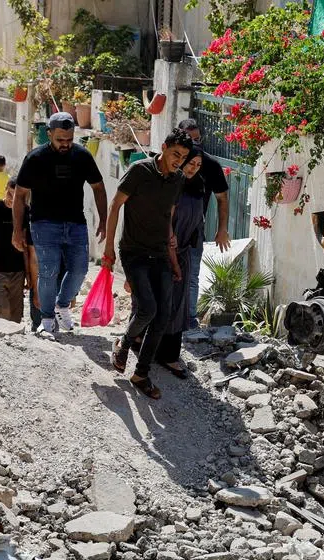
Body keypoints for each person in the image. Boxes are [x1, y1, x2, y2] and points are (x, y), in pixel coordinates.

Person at [105, 128, 192, 400]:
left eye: (183, 157)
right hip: (134, 252)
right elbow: (115, 205)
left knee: (163, 316)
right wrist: (108, 248)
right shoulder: (139, 171)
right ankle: (124, 344)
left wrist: (173, 260)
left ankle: (141, 374)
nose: (179, 161)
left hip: (160, 254)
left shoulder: (178, 179)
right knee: (148, 309)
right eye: (175, 154)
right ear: (163, 148)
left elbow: (169, 218)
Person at [14, 112, 107, 338]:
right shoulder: (35, 158)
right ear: (49, 134)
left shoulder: (82, 156)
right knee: (48, 271)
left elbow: (98, 187)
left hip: (76, 223)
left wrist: (103, 219)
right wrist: (17, 230)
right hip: (43, 224)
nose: (65, 144)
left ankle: (62, 304)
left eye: (69, 139)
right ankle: (46, 320)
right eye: (60, 140)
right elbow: (20, 194)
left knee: (80, 269)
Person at [130, 149, 205, 378]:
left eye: (198, 165)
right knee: (155, 303)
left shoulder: (198, 186)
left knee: (178, 306)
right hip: (160, 252)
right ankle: (138, 343)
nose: (193, 168)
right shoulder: (168, 185)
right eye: (190, 163)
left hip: (183, 253)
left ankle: (169, 355)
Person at [177, 118, 231, 328]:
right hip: (167, 228)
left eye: (198, 139)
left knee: (191, 276)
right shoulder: (171, 161)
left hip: (193, 230)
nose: (195, 144)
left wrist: (222, 229)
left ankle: (189, 320)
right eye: (190, 139)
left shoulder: (210, 165)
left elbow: (222, 197)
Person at [0, 178, 34, 322]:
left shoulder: (26, 211)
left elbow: (26, 246)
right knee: (2, 313)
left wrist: (28, 273)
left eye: (16, 196)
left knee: (15, 317)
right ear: (5, 190)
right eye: (10, 194)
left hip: (18, 271)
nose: (12, 199)